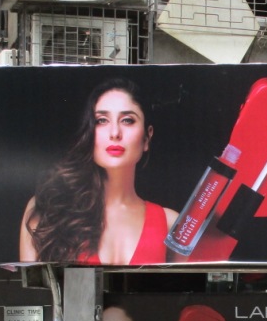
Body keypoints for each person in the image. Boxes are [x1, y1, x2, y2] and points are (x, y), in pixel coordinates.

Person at [20, 78, 177, 265]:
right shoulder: (47, 208)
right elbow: (31, 292)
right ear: (89, 131)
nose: (115, 133)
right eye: (101, 120)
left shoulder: (170, 223)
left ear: (147, 137)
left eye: (127, 120)